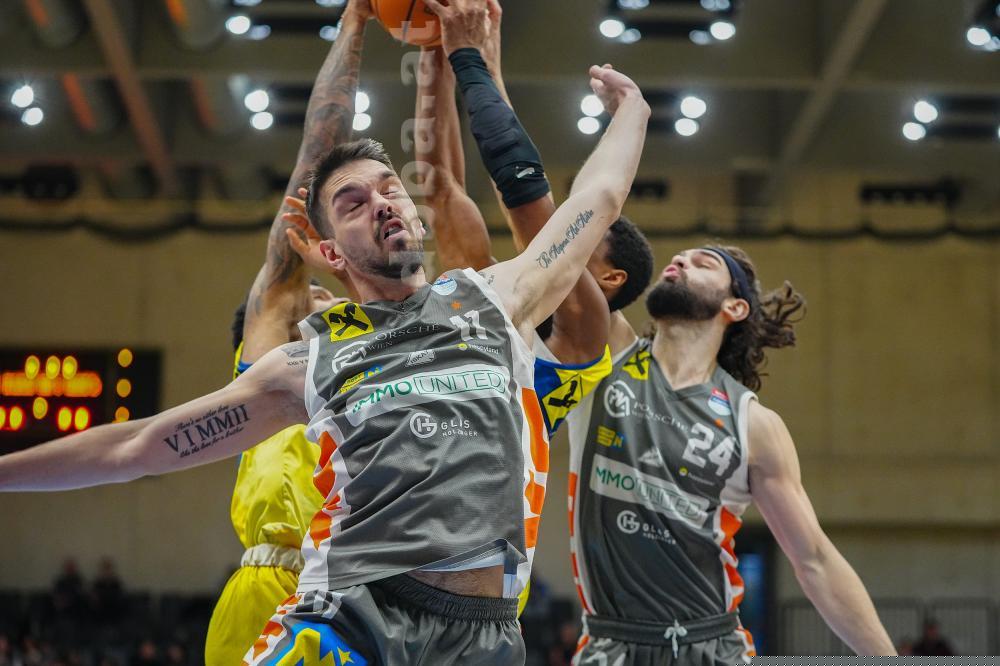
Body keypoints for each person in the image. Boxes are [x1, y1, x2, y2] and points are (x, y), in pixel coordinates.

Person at [0, 5, 651, 663]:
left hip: (483, 635)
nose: (381, 204)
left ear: (414, 217)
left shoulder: (493, 299)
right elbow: (137, 444)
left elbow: (596, 200)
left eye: (389, 190)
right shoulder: (308, 361)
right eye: (353, 204)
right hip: (350, 621)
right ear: (331, 253)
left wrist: (633, 110)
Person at [566, 247, 898, 663]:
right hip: (609, 644)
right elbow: (559, 258)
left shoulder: (753, 424)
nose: (681, 261)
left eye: (703, 263)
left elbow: (815, 560)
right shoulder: (608, 350)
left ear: (735, 307)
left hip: (710, 646)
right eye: (679, 258)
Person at [201, 0, 367, 663]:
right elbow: (312, 164)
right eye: (310, 293)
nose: (323, 298)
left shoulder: (373, 366)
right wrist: (354, 25)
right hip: (266, 585)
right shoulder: (272, 359)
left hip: (355, 590)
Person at [412, 0, 653, 438]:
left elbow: (522, 192)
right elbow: (441, 188)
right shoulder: (494, 297)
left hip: (487, 480)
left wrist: (464, 55)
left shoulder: (586, 331)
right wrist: (435, 51)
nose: (567, 226)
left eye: (589, 232)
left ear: (611, 278)